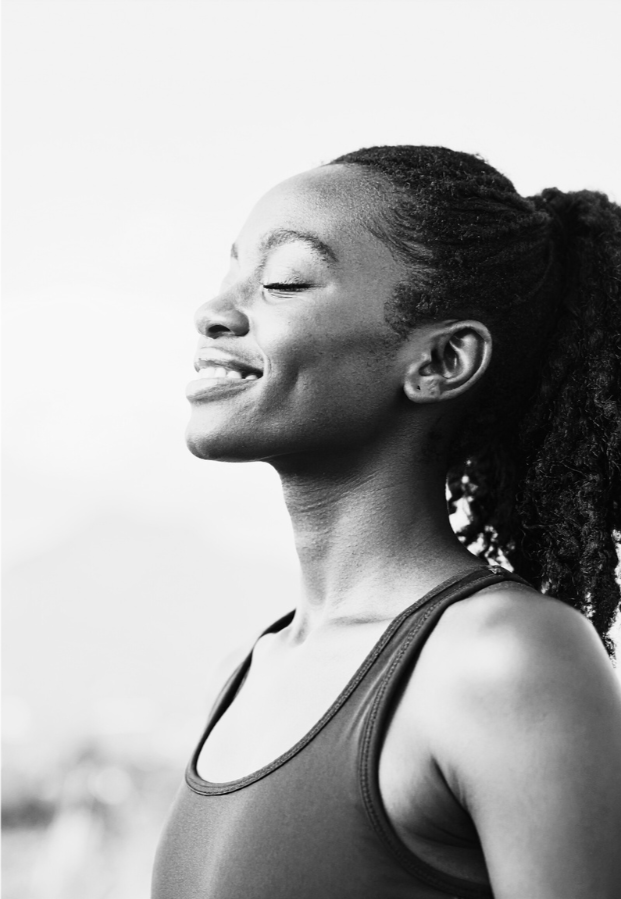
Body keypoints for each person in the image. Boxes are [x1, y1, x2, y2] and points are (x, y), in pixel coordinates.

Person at [152, 146, 621, 898]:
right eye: (232, 271)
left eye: (282, 281)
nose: (214, 311)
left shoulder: (502, 660)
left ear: (440, 360)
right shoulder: (251, 670)